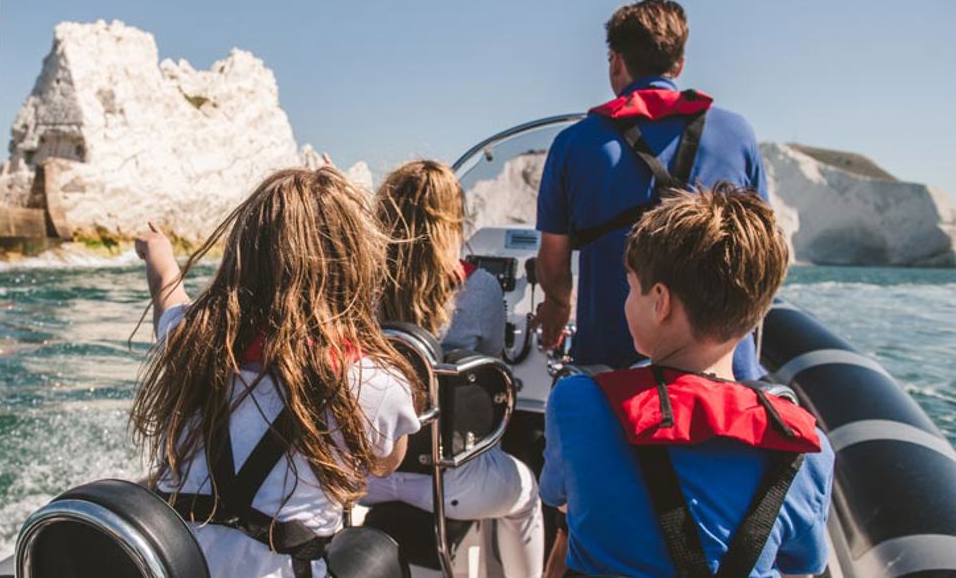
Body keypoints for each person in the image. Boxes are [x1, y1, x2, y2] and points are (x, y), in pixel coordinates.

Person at [131, 167, 422, 578]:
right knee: (379, 555)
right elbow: (385, 463)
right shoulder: (371, 383)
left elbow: (167, 291)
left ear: (242, 253)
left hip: (176, 567)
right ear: (352, 263)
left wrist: (159, 251)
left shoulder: (189, 341)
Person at [541, 185, 834, 577]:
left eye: (631, 288)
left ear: (660, 302)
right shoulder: (807, 452)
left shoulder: (576, 402)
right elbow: (805, 563)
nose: (626, 301)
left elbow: (559, 497)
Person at [534, 0, 767, 378]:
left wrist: (556, 309)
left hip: (611, 373)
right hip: (728, 375)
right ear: (679, 64)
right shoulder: (738, 134)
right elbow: (763, 251)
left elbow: (554, 259)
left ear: (616, 61)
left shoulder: (574, 144)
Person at [361, 160, 544, 576]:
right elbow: (495, 364)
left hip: (366, 477)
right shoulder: (479, 286)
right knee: (527, 493)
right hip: (450, 484)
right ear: (451, 221)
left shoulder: (362, 286)